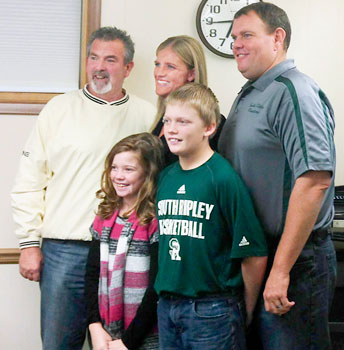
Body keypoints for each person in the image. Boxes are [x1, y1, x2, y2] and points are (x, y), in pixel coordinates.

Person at [11, 27, 156, 350]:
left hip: (127, 252)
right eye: (93, 57)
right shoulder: (58, 109)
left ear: (128, 68)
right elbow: (29, 180)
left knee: (119, 346)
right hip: (65, 250)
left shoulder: (148, 116)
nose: (99, 66)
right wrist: (28, 243)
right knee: (60, 344)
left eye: (110, 59)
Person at [218, 3, 336, 349]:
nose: (236, 43)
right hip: (256, 255)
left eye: (247, 35)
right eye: (234, 36)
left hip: (295, 262)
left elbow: (315, 180)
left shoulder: (293, 91)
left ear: (277, 38)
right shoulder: (253, 91)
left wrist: (281, 271)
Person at [154, 83, 268, 350]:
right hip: (168, 306)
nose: (171, 129)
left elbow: (253, 253)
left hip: (212, 310)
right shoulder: (166, 178)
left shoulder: (223, 178)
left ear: (209, 128)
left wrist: (246, 310)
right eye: (167, 120)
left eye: (183, 122)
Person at [85, 133, 163, 350]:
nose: (118, 176)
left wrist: (128, 342)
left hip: (144, 337)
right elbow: (91, 275)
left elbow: (157, 285)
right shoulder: (105, 214)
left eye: (128, 169)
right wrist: (94, 326)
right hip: (105, 334)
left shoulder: (154, 219)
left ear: (148, 173)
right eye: (114, 168)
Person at [151, 35, 225, 166]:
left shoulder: (213, 122)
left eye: (170, 67)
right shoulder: (161, 118)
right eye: (157, 64)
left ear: (191, 74)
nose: (159, 73)